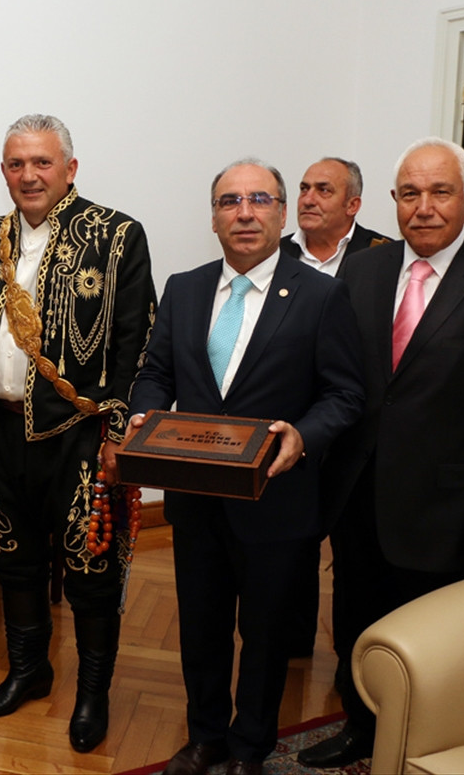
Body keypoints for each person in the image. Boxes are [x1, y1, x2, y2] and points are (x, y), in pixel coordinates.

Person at [297, 138, 464, 769]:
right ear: (393, 200)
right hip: (358, 497)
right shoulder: (363, 271)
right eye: (410, 193)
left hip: (447, 514)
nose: (424, 207)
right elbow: (340, 381)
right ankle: (361, 728)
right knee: (357, 621)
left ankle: (428, 745)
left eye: (441, 192)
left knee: (435, 642)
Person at [121, 159, 365, 775]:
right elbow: (156, 373)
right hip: (196, 496)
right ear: (214, 218)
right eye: (230, 201)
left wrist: (303, 436)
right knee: (200, 627)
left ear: (282, 215)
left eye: (260, 200)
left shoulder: (322, 295)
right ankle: (205, 736)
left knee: (265, 634)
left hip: (276, 500)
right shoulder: (185, 287)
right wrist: (145, 415)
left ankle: (251, 746)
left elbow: (344, 395)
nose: (245, 212)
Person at [0, 114, 156, 753]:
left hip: (82, 434)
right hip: (0, 429)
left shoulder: (117, 236)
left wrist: (117, 434)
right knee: (13, 559)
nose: (29, 175)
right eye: (17, 163)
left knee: (90, 568)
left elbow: (137, 342)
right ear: (3, 171)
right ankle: (29, 671)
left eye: (42, 162)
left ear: (70, 168)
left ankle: (93, 695)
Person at [278, 157, 392, 658]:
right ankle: (291, 644)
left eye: (323, 190)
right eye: (304, 188)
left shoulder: (383, 257)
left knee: (354, 549)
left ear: (353, 204)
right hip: (287, 424)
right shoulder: (275, 253)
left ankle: (357, 656)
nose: (308, 198)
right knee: (288, 544)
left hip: (353, 424)